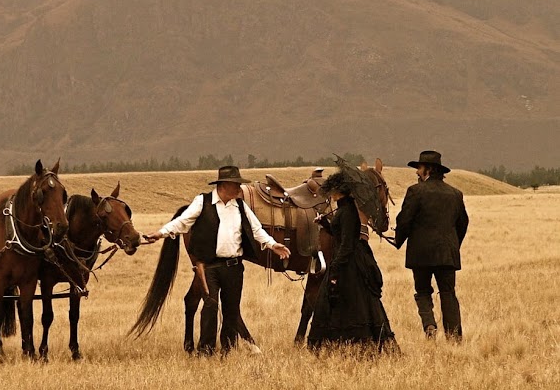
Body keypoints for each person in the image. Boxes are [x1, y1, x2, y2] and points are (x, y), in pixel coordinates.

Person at [143, 165, 291, 356]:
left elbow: (256, 230)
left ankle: (227, 350)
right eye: (235, 184)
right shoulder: (202, 202)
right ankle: (206, 350)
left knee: (231, 309)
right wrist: (161, 233)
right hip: (209, 267)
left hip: (234, 267)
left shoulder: (240, 206)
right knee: (210, 306)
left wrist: (273, 244)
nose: (239, 188)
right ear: (223, 185)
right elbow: (182, 222)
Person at [307, 171, 398, 354]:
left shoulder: (347, 211)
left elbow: (347, 244)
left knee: (351, 302)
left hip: (350, 263)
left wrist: (335, 267)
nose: (331, 194)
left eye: (333, 190)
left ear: (339, 191)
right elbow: (339, 234)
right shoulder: (344, 209)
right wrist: (325, 223)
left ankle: (354, 343)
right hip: (346, 260)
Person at [393, 150, 468, 341]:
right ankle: (454, 337)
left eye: (419, 168)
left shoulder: (415, 191)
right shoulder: (455, 194)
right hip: (447, 254)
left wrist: (398, 240)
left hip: (421, 254)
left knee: (423, 291)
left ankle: (429, 325)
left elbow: (404, 220)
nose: (417, 172)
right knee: (448, 294)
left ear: (428, 169)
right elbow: (463, 224)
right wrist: (453, 245)